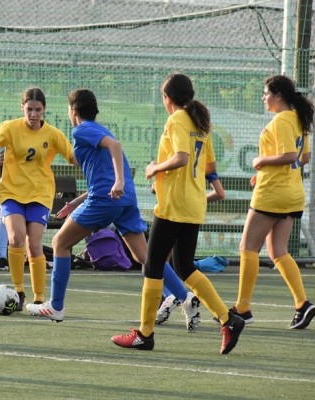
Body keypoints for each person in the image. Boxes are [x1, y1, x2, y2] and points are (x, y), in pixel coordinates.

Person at [25, 88, 198, 331]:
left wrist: (117, 181)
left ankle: (56, 305)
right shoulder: (100, 130)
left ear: (73, 111)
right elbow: (104, 173)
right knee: (145, 258)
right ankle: (186, 297)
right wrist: (77, 202)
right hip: (124, 200)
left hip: (107, 199)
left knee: (60, 244)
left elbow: (115, 148)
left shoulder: (82, 129)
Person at [111, 73, 245, 354]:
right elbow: (208, 167)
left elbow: (182, 158)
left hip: (174, 204)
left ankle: (145, 334)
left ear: (167, 98)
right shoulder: (200, 122)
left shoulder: (176, 120)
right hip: (193, 203)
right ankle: (228, 319)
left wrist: (154, 169)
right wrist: (203, 186)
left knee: (152, 265)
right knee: (184, 267)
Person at [0, 87, 77, 310]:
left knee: (34, 245)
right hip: (11, 193)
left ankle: (40, 299)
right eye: (29, 109)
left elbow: (73, 157)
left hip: (40, 195)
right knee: (15, 239)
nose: (33, 114)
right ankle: (19, 292)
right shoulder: (9, 128)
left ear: (44, 110)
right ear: (22, 108)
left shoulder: (52, 134)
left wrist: (98, 163)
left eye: (38, 110)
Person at [232, 74, 315, 329]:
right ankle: (302, 304)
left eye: (266, 93)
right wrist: (265, 171)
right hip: (291, 193)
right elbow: (304, 158)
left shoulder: (281, 120)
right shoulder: (297, 118)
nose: (263, 97)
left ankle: (243, 308)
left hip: (274, 194)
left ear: (278, 96)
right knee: (278, 251)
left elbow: (290, 154)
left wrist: (261, 162)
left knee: (248, 248)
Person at [155, 171, 225, 328]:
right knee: (175, 265)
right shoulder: (201, 159)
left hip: (171, 213)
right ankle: (222, 315)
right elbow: (220, 193)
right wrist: (195, 201)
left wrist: (155, 169)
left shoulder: (176, 159)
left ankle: (174, 297)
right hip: (192, 214)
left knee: (153, 262)